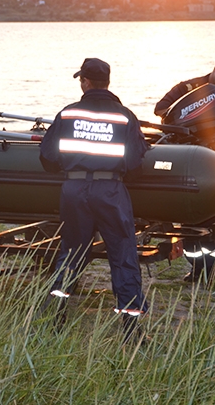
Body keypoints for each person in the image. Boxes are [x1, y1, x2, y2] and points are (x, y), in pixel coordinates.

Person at [39, 58, 149, 343]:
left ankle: (54, 318)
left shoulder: (67, 114)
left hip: (74, 191)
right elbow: (136, 165)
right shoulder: (125, 116)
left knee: (71, 253)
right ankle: (131, 329)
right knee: (123, 256)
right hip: (110, 191)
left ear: (85, 82)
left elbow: (48, 159)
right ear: (107, 82)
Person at [154, 47, 215, 285]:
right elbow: (160, 109)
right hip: (187, 163)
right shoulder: (186, 89)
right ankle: (196, 269)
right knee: (190, 221)